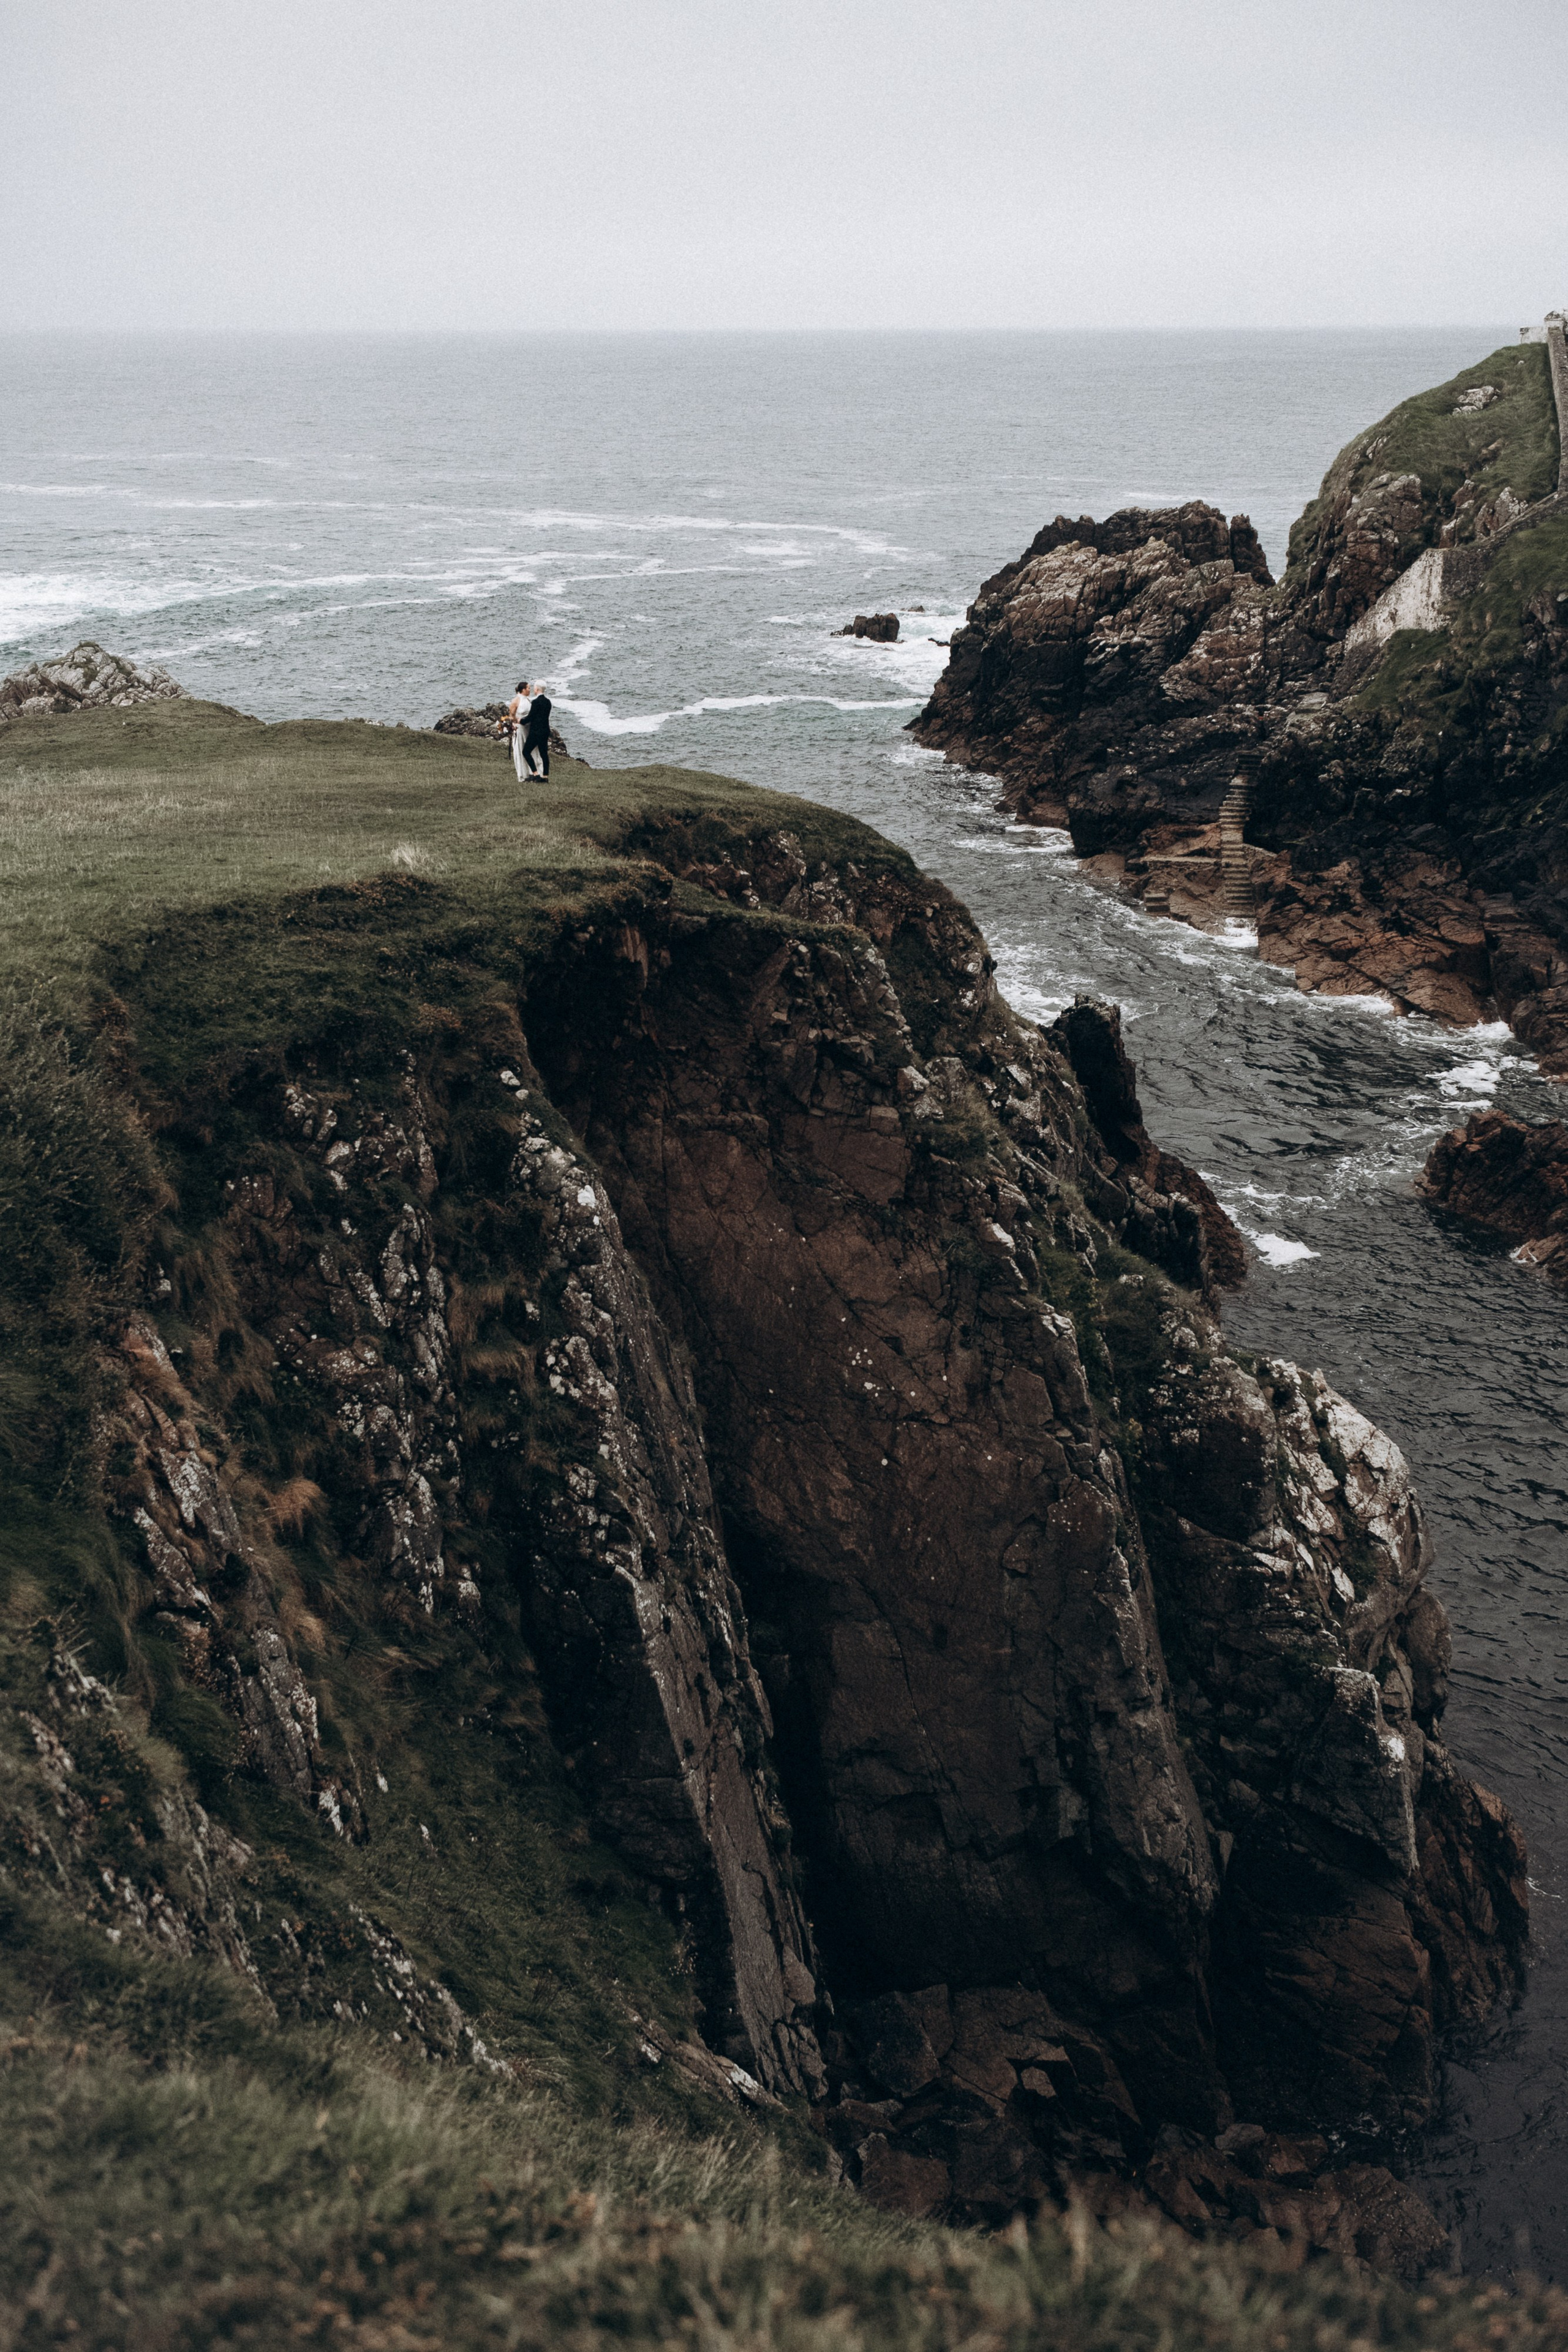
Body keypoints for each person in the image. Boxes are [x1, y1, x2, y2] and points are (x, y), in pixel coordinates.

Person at [522, 682, 552, 780]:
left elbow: (530, 718)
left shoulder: (535, 702)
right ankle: (545, 776)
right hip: (545, 731)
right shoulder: (548, 702)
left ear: (538, 690)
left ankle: (536, 774)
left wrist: (520, 721)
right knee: (544, 754)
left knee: (526, 752)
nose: (533, 690)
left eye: (534, 689)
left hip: (536, 732)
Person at [503, 681, 532, 783]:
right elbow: (511, 715)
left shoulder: (528, 700)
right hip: (520, 728)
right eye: (528, 688)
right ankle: (522, 775)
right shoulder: (516, 700)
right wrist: (514, 724)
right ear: (523, 690)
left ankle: (530, 773)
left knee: (529, 751)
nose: (530, 689)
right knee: (520, 750)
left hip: (528, 728)